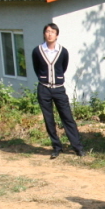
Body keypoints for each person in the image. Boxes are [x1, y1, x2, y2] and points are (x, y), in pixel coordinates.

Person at [31, 23, 83, 158]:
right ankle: (56, 146)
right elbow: (36, 68)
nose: (50, 34)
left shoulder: (63, 51)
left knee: (67, 117)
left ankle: (77, 147)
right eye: (47, 31)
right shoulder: (37, 51)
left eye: (52, 32)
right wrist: (44, 79)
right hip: (44, 88)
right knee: (49, 119)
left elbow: (63, 67)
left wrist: (56, 79)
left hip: (59, 89)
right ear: (44, 34)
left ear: (57, 35)